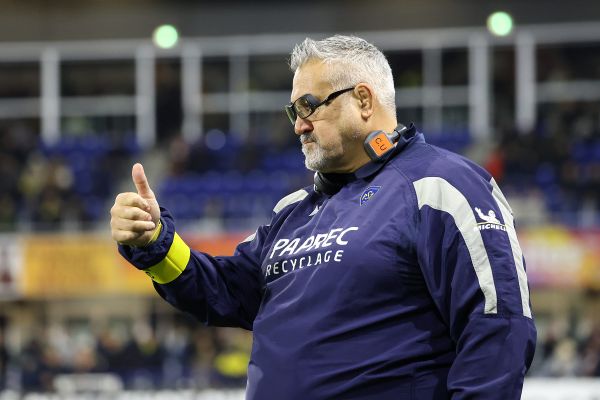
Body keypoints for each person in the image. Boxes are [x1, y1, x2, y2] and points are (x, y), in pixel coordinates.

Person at [110, 35, 536, 399]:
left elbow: (499, 327)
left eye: (309, 106)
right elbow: (222, 292)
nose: (299, 125)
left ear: (364, 100)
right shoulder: (292, 212)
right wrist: (156, 243)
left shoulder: (443, 186)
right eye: (294, 112)